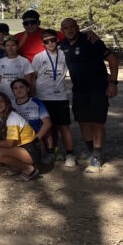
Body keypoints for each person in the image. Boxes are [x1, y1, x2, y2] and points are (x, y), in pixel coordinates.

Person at [59, 17, 118, 173]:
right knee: (83, 122)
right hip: (79, 90)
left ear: (77, 27)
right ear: (62, 31)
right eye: (66, 28)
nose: (69, 30)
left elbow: (112, 59)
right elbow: (46, 37)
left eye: (73, 27)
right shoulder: (63, 44)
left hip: (99, 88)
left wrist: (113, 83)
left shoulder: (90, 40)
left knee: (97, 122)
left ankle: (97, 158)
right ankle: (92, 152)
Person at [31, 28, 75, 167]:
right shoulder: (38, 57)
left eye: (53, 40)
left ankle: (70, 154)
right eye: (46, 41)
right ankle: (51, 151)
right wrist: (32, 96)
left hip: (60, 97)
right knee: (48, 127)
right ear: (43, 43)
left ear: (57, 40)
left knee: (64, 126)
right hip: (42, 96)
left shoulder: (65, 54)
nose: (50, 43)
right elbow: (33, 78)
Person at [0, 92, 41, 181]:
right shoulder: (0, 117)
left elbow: (9, 144)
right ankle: (16, 167)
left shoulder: (12, 118)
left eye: (1, 102)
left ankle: (28, 169)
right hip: (21, 149)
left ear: (6, 103)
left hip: (31, 150)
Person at [10, 78, 52, 167]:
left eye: (22, 87)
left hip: (33, 138)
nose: (19, 90)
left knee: (40, 164)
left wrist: (36, 140)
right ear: (13, 91)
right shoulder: (10, 104)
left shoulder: (36, 102)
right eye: (15, 88)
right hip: (16, 138)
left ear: (27, 89)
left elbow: (47, 123)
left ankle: (45, 152)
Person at [0, 36, 35, 101]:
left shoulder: (24, 61)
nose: (10, 48)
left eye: (13, 45)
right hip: (4, 96)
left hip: (20, 97)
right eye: (7, 45)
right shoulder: (0, 62)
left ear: (17, 46)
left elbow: (28, 82)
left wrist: (30, 95)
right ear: (4, 47)